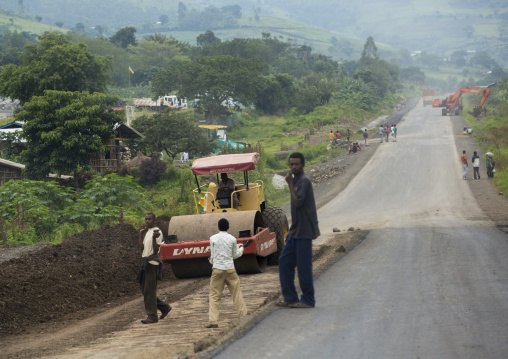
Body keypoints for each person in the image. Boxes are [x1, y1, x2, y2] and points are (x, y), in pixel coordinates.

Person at [276, 152, 320, 309]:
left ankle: (308, 300)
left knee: (303, 267)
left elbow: (297, 204)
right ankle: (290, 298)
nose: (293, 166)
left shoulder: (304, 181)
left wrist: (289, 184)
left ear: (303, 165)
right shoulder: (296, 181)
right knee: (284, 262)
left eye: (297, 164)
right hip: (296, 232)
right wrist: (291, 229)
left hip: (305, 233)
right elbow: (296, 212)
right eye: (291, 164)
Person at [206, 218, 251, 328]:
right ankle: (243, 316)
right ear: (228, 227)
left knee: (214, 296)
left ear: (218, 227)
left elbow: (212, 257)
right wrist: (242, 248)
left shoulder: (212, 239)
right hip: (230, 269)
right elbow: (235, 255)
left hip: (217, 270)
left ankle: (213, 321)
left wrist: (211, 261)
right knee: (236, 294)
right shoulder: (232, 239)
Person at [138, 213, 172, 324]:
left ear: (154, 220)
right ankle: (164, 308)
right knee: (145, 290)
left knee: (149, 291)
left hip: (152, 264)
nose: (147, 221)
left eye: (149, 219)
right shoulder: (147, 231)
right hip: (145, 264)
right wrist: (141, 235)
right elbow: (142, 248)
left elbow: (156, 250)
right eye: (146, 219)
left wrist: (154, 238)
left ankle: (152, 316)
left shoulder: (157, 232)